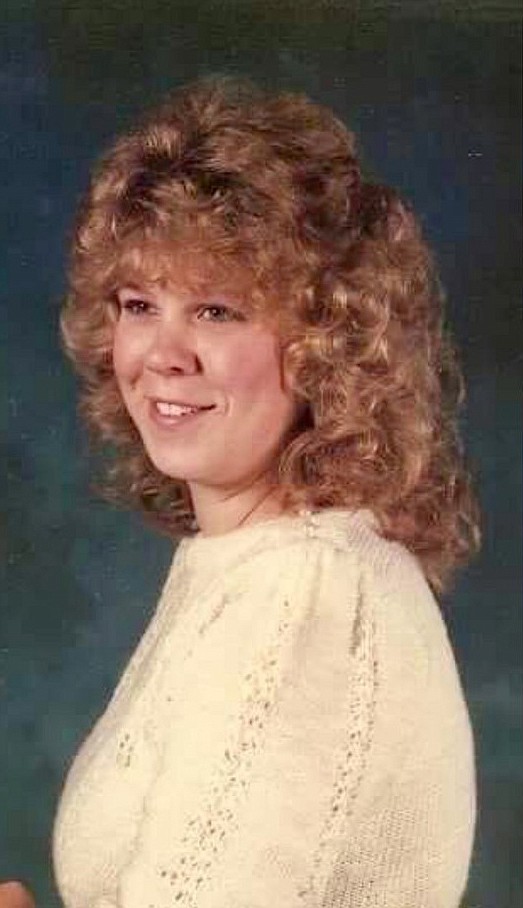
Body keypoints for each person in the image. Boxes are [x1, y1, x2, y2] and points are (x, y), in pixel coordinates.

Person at [8, 77, 480, 907]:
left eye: (217, 311)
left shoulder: (305, 593)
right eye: (139, 304)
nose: (163, 354)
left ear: (327, 343)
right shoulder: (259, 565)